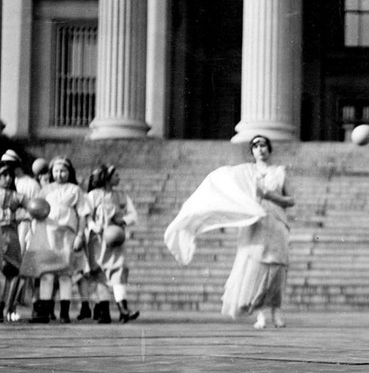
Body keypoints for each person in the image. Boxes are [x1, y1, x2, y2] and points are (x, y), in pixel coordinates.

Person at [165, 135, 295, 329]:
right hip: (255, 222)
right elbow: (225, 183)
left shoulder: (279, 172)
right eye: (256, 146)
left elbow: (290, 200)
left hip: (276, 221)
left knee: (276, 267)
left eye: (263, 145)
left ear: (269, 148)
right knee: (256, 267)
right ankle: (260, 313)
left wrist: (268, 195)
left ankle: (276, 312)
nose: (260, 149)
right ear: (252, 151)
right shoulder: (245, 172)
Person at [20, 157, 88, 324]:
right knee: (47, 274)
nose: (59, 174)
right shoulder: (46, 190)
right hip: (48, 235)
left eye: (63, 170)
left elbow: (82, 215)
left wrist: (80, 235)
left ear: (69, 172)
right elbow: (35, 208)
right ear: (51, 173)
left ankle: (64, 313)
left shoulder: (75, 190)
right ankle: (43, 312)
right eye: (56, 171)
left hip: (66, 236)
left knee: (65, 275)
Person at [85, 165, 139, 323]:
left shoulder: (122, 196)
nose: (118, 178)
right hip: (98, 240)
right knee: (100, 273)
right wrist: (94, 226)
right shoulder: (93, 195)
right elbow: (86, 216)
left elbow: (133, 215)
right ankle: (104, 311)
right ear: (106, 178)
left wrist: (123, 220)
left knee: (118, 271)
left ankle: (123, 309)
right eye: (115, 175)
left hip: (116, 241)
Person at [0, 163, 25, 322]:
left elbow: (33, 206)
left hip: (10, 235)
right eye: (4, 175)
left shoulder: (16, 196)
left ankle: (7, 308)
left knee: (14, 271)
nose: (8, 178)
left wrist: (25, 215)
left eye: (11, 175)